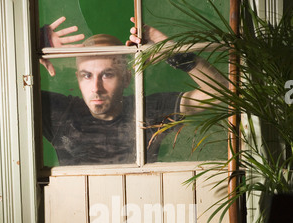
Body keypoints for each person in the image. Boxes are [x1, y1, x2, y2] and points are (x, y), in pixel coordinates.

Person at [40, 17, 226, 166]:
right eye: (87, 75)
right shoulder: (60, 112)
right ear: (78, 78)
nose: (96, 88)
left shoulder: (149, 110)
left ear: (127, 78)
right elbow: (11, 97)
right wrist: (31, 46)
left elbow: (221, 93)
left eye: (107, 75)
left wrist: (173, 51)